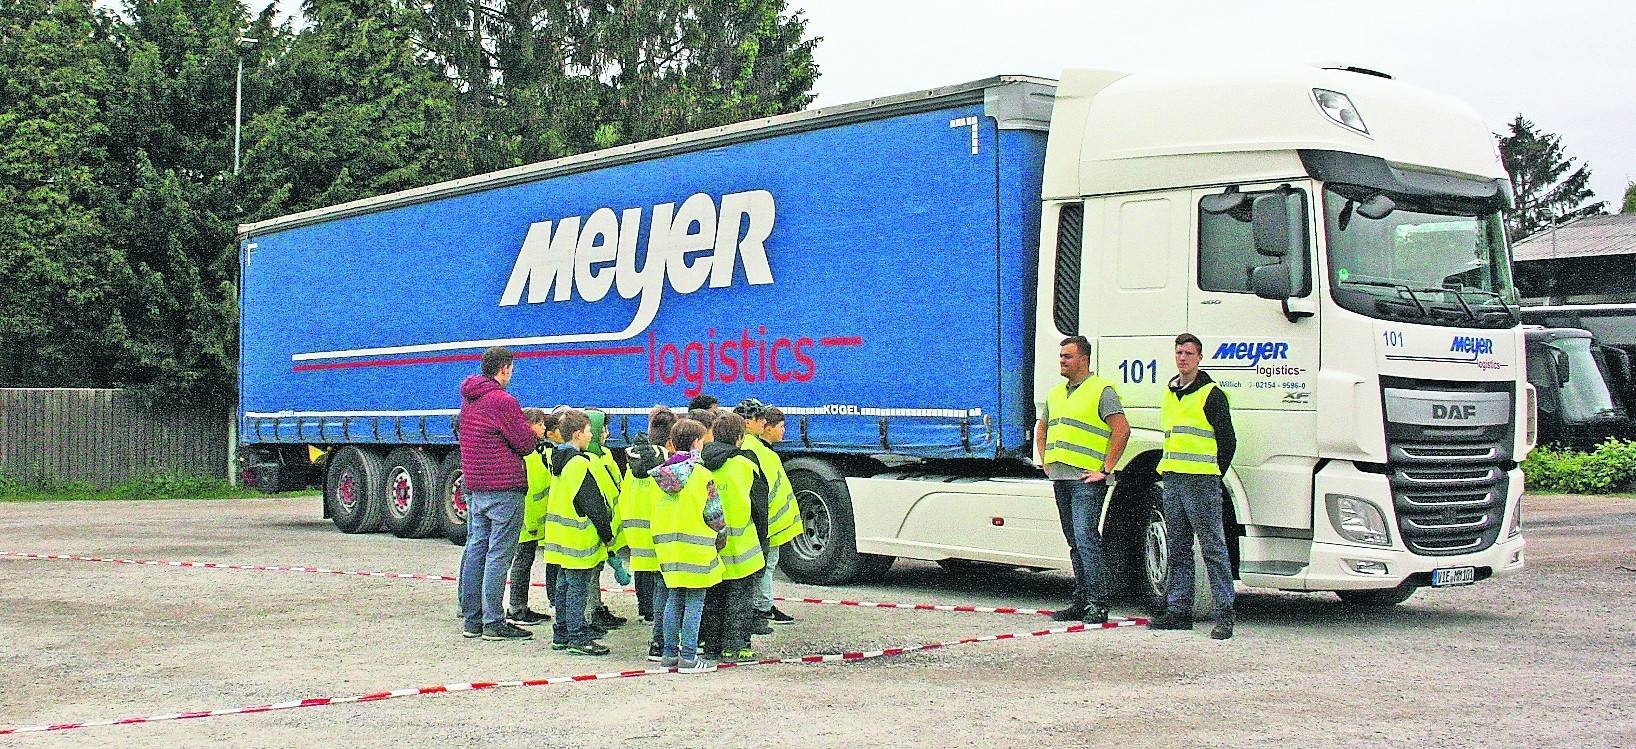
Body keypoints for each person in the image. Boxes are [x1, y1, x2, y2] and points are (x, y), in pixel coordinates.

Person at [1148, 333, 1239, 640]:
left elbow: (1228, 441)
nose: (1182, 357)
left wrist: (1213, 474)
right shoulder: (1170, 392)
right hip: (1173, 478)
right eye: (1179, 352)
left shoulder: (1211, 395)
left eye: (1188, 353)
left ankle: (1225, 614)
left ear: (1199, 357)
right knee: (1178, 547)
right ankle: (1178, 611)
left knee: (1213, 547)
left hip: (1201, 480)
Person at [1035, 335, 1130, 625]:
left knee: (1087, 539)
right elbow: (1042, 429)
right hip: (1061, 478)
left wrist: (1106, 469)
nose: (1062, 361)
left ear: (1083, 359)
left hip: (1085, 480)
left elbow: (1122, 430)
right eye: (1061, 356)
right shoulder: (1056, 393)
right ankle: (1081, 601)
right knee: (1075, 542)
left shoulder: (1102, 390)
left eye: (1068, 356)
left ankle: (1098, 604)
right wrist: (1046, 461)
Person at [456, 346, 539, 641]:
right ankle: (493, 621)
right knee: (499, 555)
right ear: (504, 369)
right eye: (511, 370)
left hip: (476, 486)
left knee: (476, 550)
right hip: (504, 487)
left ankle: (472, 619)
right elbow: (525, 444)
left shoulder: (469, 399)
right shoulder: (503, 401)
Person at [650, 418, 726, 673]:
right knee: (695, 601)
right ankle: (690, 657)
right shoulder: (703, 475)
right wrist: (722, 535)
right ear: (696, 443)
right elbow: (714, 515)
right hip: (697, 548)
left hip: (669, 548)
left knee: (673, 599)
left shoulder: (659, 475)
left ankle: (669, 654)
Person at [543, 410, 618, 655]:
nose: (591, 435)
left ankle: (562, 632)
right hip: (578, 539)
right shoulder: (578, 464)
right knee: (577, 588)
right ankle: (577, 636)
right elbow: (593, 504)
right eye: (587, 432)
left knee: (564, 584)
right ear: (577, 434)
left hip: (560, 537)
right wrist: (607, 534)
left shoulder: (558, 458)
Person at [697, 412, 768, 663]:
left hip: (710, 544)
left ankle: (711, 647)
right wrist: (763, 540)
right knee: (740, 599)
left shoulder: (700, 464)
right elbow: (760, 508)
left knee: (713, 598)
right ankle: (735, 647)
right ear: (739, 437)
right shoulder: (746, 464)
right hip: (742, 547)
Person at [737, 400, 799, 626]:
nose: (764, 423)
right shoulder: (757, 451)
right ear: (748, 422)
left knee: (764, 566)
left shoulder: (753, 448)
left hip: (767, 521)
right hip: (767, 522)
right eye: (760, 419)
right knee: (765, 566)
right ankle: (761, 608)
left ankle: (762, 605)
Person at [630, 406, 679, 627]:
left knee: (643, 571)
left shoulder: (634, 460)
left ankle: (645, 610)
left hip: (637, 530)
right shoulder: (668, 465)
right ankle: (659, 623)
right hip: (660, 528)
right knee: (661, 583)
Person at [506, 409, 554, 626]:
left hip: (533, 518)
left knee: (526, 561)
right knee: (522, 562)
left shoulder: (537, 451)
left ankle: (520, 606)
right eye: (539, 424)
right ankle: (516, 608)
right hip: (527, 519)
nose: (544, 428)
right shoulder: (525, 453)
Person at [582, 408, 628, 632]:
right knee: (590, 572)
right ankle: (590, 613)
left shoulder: (604, 455)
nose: (606, 433)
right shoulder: (588, 461)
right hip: (593, 527)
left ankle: (597, 607)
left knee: (597, 569)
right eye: (603, 429)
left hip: (606, 524)